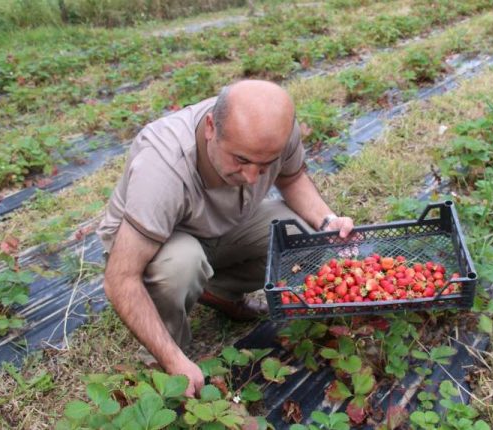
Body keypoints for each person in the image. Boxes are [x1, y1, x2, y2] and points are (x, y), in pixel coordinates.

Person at [96, 80, 354, 397]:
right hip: (158, 242)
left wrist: (328, 221)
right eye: (242, 160)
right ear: (210, 129)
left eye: (266, 163)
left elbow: (293, 178)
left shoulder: (275, 134)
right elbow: (120, 279)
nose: (251, 177)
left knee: (302, 236)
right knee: (181, 265)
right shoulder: (162, 168)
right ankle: (162, 362)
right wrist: (174, 360)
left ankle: (217, 291)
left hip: (223, 224)